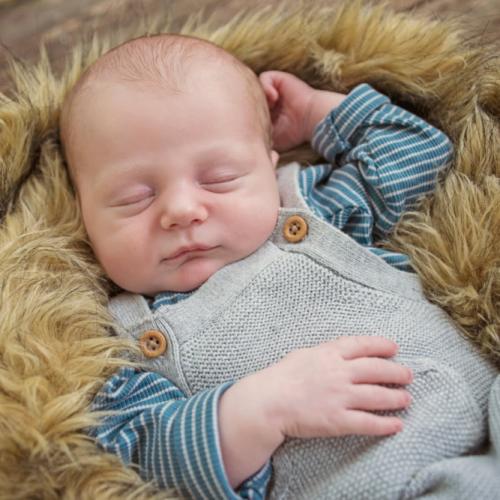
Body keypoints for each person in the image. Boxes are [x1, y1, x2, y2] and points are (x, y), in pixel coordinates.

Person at [59, 34, 498, 499]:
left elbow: (418, 151)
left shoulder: (314, 211)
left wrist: (313, 114)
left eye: (220, 179)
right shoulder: (119, 343)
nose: (182, 210)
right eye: (134, 198)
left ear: (269, 171)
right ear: (81, 213)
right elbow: (138, 453)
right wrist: (261, 410)